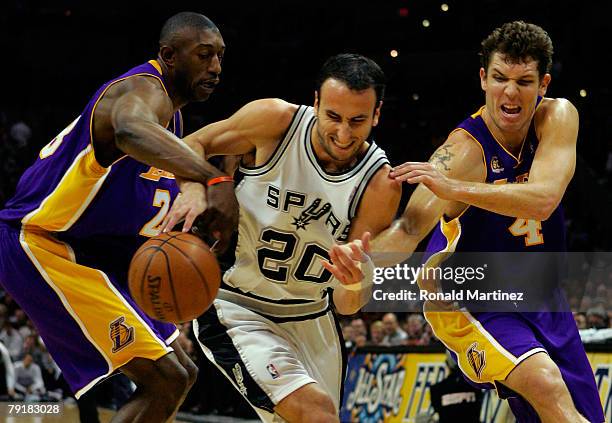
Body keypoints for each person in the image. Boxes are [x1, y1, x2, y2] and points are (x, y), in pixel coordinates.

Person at [325, 21, 604, 423]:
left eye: (524, 81)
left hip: (542, 295)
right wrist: (360, 269)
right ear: (483, 79)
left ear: (542, 84)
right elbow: (408, 229)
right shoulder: (461, 152)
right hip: (467, 297)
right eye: (499, 78)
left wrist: (456, 189)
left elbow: (543, 199)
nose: (510, 92)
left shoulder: (558, 117)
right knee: (545, 384)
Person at [0, 12, 238, 422]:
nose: (215, 67)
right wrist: (213, 179)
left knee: (182, 373)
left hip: (84, 250)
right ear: (169, 55)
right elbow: (129, 129)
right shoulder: (143, 89)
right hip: (40, 243)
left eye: (219, 56)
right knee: (164, 380)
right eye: (203, 55)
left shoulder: (172, 119)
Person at [163, 53, 401, 422]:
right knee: (315, 413)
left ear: (376, 115)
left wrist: (355, 281)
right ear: (316, 103)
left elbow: (346, 305)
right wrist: (199, 187)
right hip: (237, 306)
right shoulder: (275, 121)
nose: (342, 133)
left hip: (312, 317)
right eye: (333, 117)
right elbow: (189, 144)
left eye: (357, 121)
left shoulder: (380, 184)